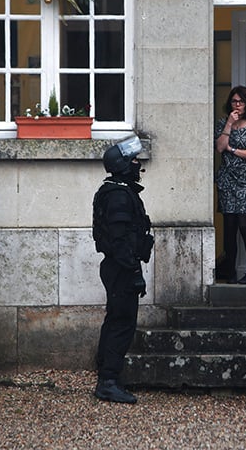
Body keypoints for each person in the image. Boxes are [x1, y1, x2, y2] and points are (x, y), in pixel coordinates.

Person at [92, 135, 154, 404]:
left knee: (116, 319)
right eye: (132, 161)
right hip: (121, 268)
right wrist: (134, 272)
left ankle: (108, 373)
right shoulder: (118, 194)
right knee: (122, 323)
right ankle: (108, 381)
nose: (137, 165)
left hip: (120, 267)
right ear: (122, 166)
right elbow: (120, 241)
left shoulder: (118, 190)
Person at [214, 86, 246, 284]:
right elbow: (219, 148)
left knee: (244, 225)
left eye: (241, 102)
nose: (237, 105)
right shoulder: (223, 123)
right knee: (229, 227)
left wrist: (232, 149)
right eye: (234, 101)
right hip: (227, 180)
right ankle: (231, 271)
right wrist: (229, 124)